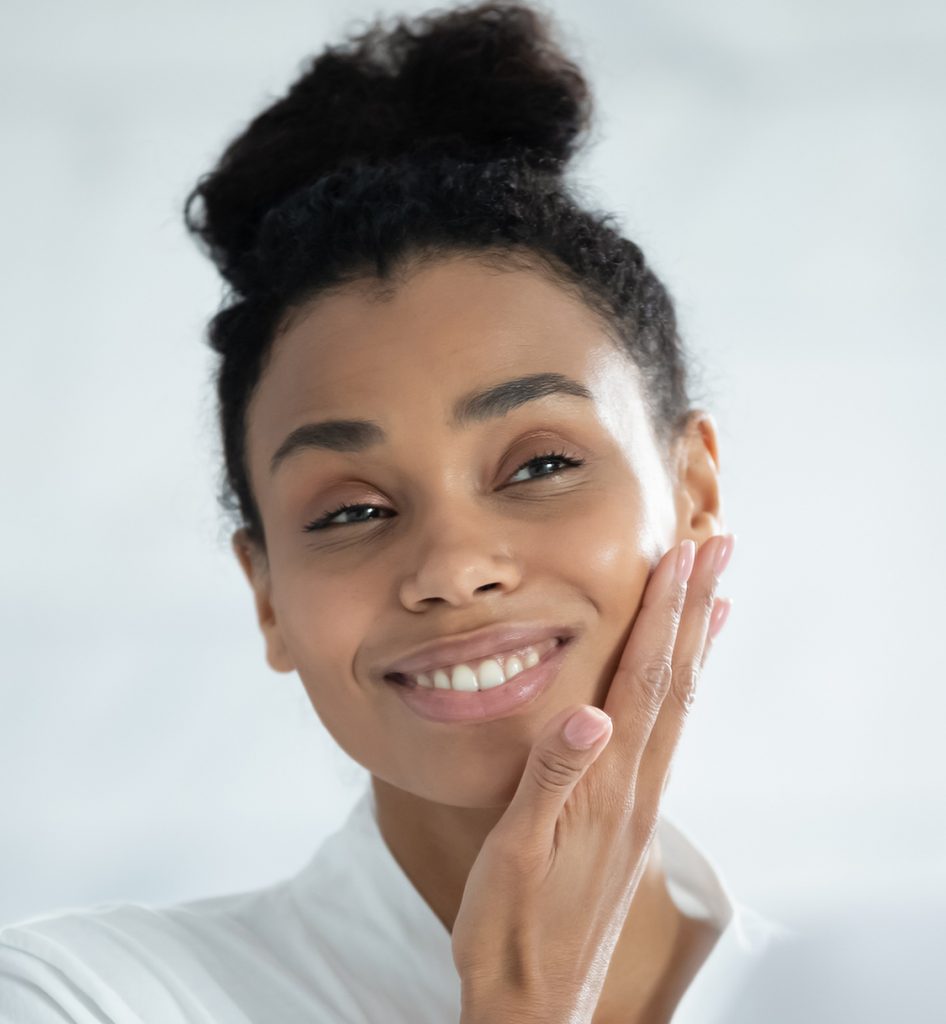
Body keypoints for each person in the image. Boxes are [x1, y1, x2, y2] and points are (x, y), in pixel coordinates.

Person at [0, 2, 794, 1021]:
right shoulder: (75, 997)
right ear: (267, 595)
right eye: (348, 513)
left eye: (539, 462)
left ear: (694, 493)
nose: (453, 565)